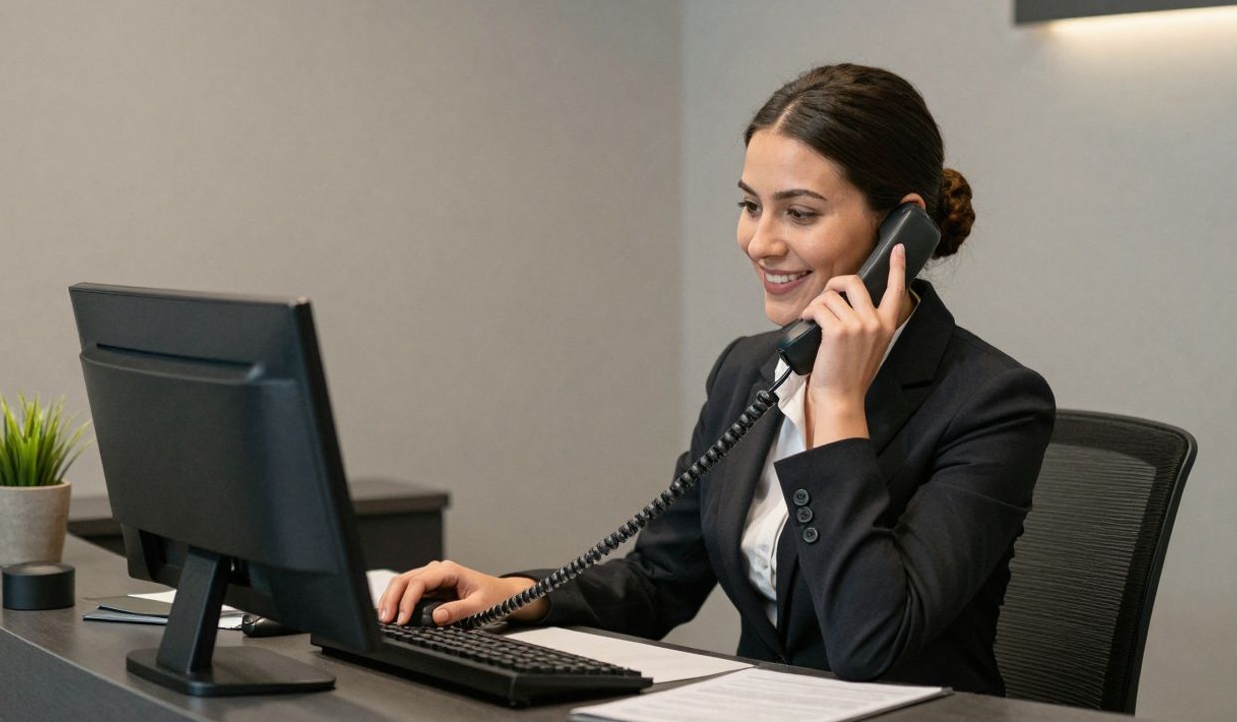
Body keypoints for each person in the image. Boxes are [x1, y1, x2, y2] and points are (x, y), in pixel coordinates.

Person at [377, 63, 1054, 695]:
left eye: (800, 212)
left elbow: (870, 642)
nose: (760, 242)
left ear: (900, 230)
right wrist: (520, 594)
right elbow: (659, 580)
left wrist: (836, 406)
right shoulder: (748, 370)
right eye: (750, 205)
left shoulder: (992, 402)